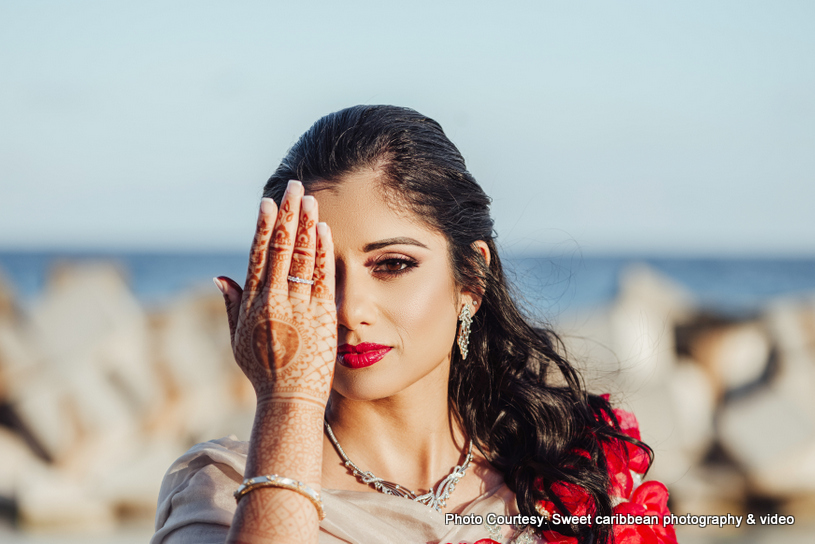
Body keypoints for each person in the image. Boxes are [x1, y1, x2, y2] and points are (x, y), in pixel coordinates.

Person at [151, 105, 677, 544]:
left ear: (470, 278)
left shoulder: (574, 464)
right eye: (315, 274)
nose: (349, 310)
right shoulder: (218, 494)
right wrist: (287, 402)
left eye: (393, 265)